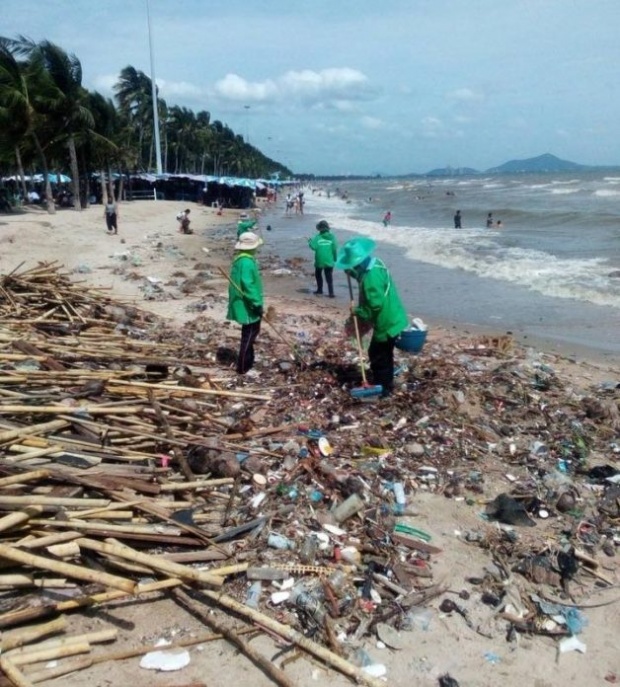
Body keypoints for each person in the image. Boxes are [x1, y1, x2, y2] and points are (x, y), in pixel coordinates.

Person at [335, 237, 408, 397]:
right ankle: (386, 381)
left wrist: (358, 312)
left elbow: (375, 304)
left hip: (386, 321)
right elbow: (363, 276)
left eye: (352, 264)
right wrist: (351, 272)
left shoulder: (370, 279)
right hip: (395, 315)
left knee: (378, 354)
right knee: (385, 352)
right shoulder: (376, 264)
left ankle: (384, 389)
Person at [227, 231, 264, 375]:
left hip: (245, 304)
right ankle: (242, 368)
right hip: (248, 305)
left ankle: (249, 361)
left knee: (250, 334)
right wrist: (257, 304)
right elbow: (248, 286)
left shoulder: (240, 260)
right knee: (249, 336)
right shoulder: (247, 262)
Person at [308, 219, 338, 298]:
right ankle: (331, 293)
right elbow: (334, 249)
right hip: (329, 261)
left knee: (318, 274)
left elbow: (313, 247)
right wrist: (335, 259)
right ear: (328, 228)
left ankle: (320, 290)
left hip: (319, 261)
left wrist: (310, 242)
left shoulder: (317, 237)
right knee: (329, 276)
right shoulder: (332, 237)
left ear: (320, 229)